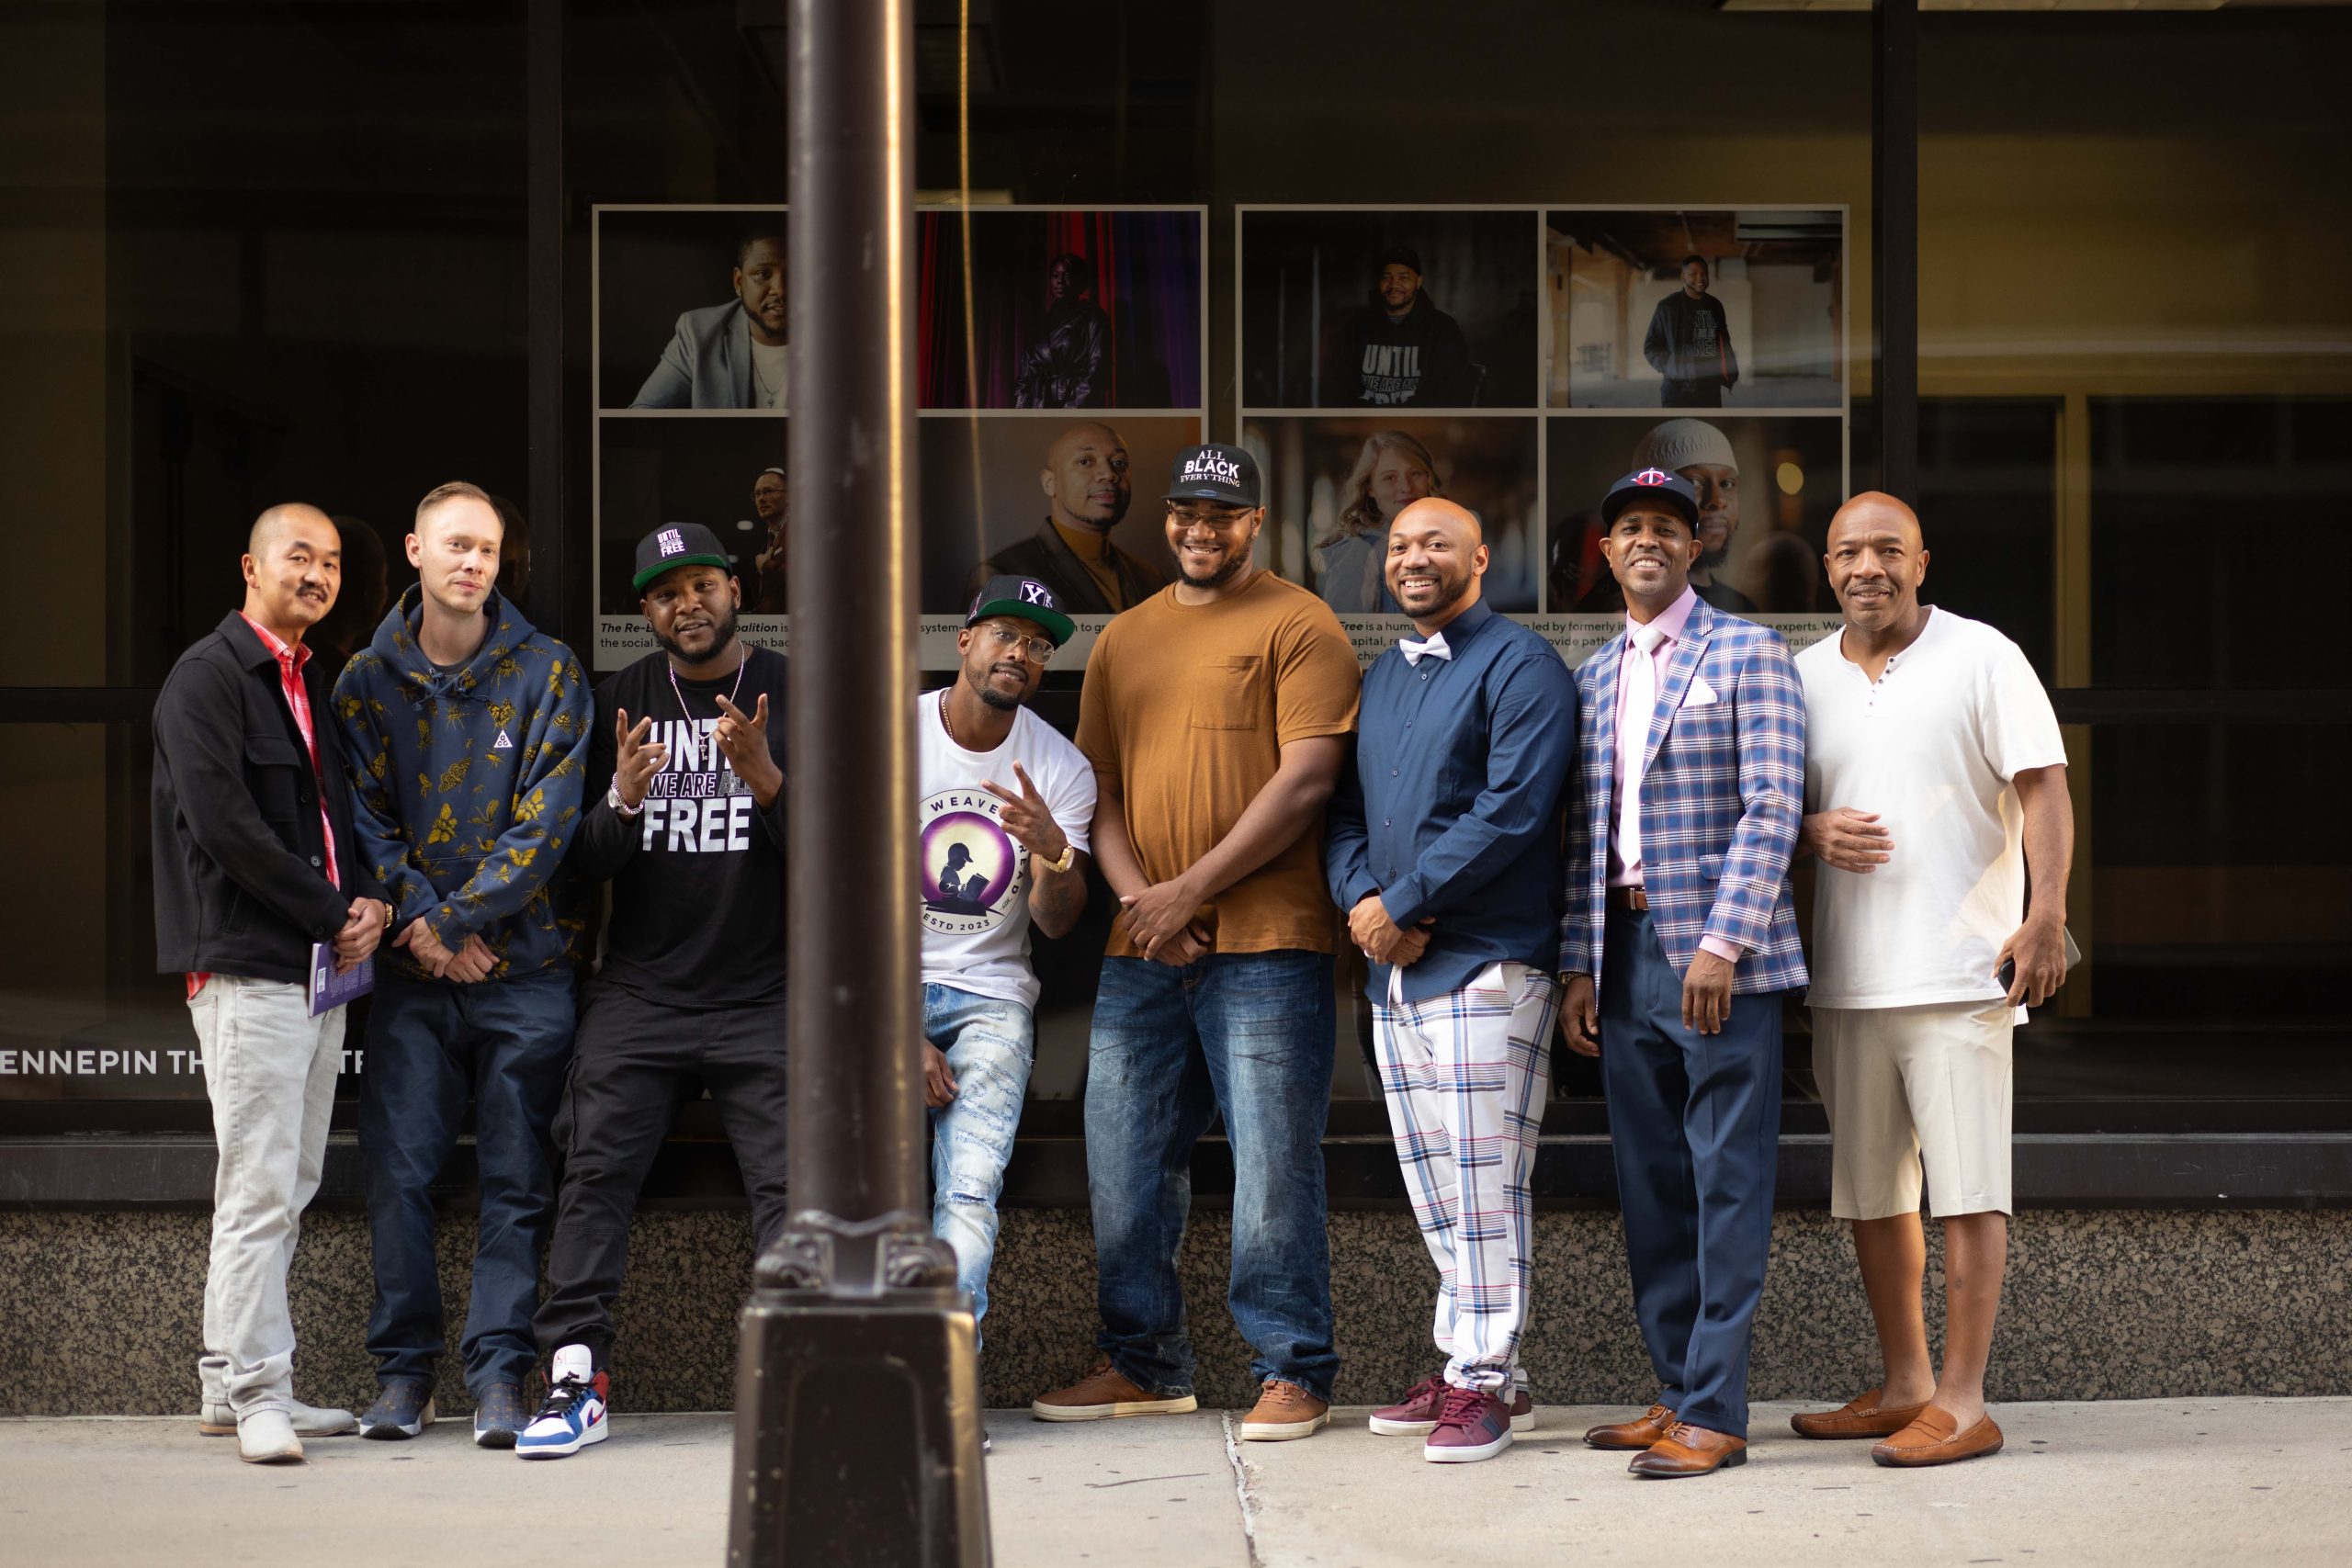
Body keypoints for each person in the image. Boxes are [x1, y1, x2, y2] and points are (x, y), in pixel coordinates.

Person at [1031, 443, 1360, 1441]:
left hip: (1267, 944)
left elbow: (1305, 781)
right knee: (1122, 1164)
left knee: (1272, 1167)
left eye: (1221, 515)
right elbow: (1100, 796)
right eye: (1185, 513)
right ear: (1164, 518)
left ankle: (1293, 1368)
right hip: (1143, 955)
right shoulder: (1124, 639)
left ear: (1254, 522)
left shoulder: (1302, 623)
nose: (1199, 530)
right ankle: (1142, 1362)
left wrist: (1188, 893)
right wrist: (1142, 906)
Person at [1790, 492, 2072, 1470]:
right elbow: (1773, 808)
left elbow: (2043, 785)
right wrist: (1806, 830)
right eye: (1847, 553)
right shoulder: (1800, 677)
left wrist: (2044, 917)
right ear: (1826, 568)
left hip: (1961, 970)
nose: (1866, 567)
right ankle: (1907, 1383)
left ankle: (1964, 1399)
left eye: (1886, 551)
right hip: (1845, 975)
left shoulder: (1982, 655)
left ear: (1921, 562)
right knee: (1873, 1194)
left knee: (1966, 1190)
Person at [515, 523, 792, 1460]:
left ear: (734, 589)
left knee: (795, 1188)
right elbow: (579, 860)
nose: (689, 604)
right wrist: (623, 802)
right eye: (667, 592)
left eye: (704, 584)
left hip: (765, 992)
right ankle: (572, 1381)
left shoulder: (788, 687)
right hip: (642, 992)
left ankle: (797, 1382)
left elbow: (844, 858)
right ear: (646, 612)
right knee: (592, 1169)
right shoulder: (618, 700)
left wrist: (767, 782)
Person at [333, 480, 593, 1450]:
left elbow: (548, 825)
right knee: (397, 1175)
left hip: (526, 975)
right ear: (413, 551)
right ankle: (404, 1374)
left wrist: (458, 918)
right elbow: (362, 824)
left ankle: (497, 1375)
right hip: (410, 977)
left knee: (518, 1178)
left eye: (485, 548)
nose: (471, 562)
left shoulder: (551, 673)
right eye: (453, 545)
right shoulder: (363, 682)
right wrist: (429, 932)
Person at [1556, 467, 1805, 1479]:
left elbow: (1774, 803)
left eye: (1666, 526)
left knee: (1726, 1181)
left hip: (1717, 964)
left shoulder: (1750, 651)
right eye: (1628, 529)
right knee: (1652, 1186)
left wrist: (1721, 941)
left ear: (1694, 547)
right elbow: (1585, 835)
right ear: (1607, 552)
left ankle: (1716, 1408)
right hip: (1621, 961)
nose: (1646, 540)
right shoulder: (1593, 675)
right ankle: (1672, 1391)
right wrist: (1578, 965)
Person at [1327, 497, 1577, 1464]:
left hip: (1486, 965)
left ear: (1480, 556)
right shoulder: (1385, 673)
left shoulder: (1522, 666)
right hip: (1399, 971)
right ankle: (1475, 1365)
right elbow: (1345, 812)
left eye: (1435, 543)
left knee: (1484, 1188)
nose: (1413, 559)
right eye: (1398, 547)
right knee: (1437, 1189)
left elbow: (1513, 809)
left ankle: (1485, 1382)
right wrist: (1363, 903)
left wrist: (1405, 900)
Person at [153, 505, 392, 1465]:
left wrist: (365, 901)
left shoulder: (306, 679)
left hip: (314, 963)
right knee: (258, 1187)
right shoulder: (208, 678)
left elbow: (330, 820)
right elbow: (227, 829)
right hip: (252, 968)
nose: (318, 574)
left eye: (332, 562)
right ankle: (260, 1393)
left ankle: (230, 1384)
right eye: (301, 556)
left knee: (284, 1180)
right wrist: (334, 914)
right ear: (250, 565)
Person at [919, 574, 1095, 1355]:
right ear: (964, 640)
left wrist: (1053, 851)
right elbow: (841, 897)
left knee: (967, 1188)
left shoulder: (1059, 768)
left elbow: (1056, 923)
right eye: (1005, 633)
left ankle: (943, 1385)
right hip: (878, 989)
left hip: (991, 996)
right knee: (859, 1197)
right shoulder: (894, 735)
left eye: (1038, 644)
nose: (1020, 653)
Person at [965, 423, 1167, 615]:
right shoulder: (1001, 577)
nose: (1109, 474)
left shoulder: (1151, 579)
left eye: (1119, 463)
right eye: (1085, 462)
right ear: (1049, 483)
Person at [1574, 421, 1756, 615]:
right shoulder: (1605, 613)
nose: (1716, 501)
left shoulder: (1745, 608)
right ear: (1608, 550)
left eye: (1726, 483)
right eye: (1694, 482)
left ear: (1692, 551)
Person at [629, 229, 789, 409]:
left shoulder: (827, 341)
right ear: (738, 283)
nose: (781, 290)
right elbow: (642, 414)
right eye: (763, 274)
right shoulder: (698, 333)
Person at [1326, 246, 1475, 408]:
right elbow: (1336, 388)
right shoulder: (1356, 327)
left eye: (1404, 278)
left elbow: (1453, 394)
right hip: (1365, 423)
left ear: (1418, 282)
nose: (1394, 284)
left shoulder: (1443, 328)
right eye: (1386, 277)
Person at [1313, 430, 1442, 615]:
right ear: (1369, 488)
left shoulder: (1438, 542)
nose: (1406, 487)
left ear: (1428, 479)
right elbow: (1345, 637)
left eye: (1415, 474)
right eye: (1390, 478)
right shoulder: (1359, 551)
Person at [1013, 253, 1110, 409]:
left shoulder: (1093, 317)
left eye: (1067, 276)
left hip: (1072, 403)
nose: (1060, 281)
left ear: (1079, 280)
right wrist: (1020, 411)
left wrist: (1072, 409)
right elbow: (1025, 374)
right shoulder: (1042, 321)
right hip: (1038, 404)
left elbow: (1098, 370)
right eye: (1055, 275)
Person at [1643, 255, 1739, 409]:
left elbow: (1723, 342)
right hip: (1678, 391)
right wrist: (1670, 367)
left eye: (1704, 273)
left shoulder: (1715, 305)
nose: (1700, 278)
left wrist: (1729, 369)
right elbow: (1650, 346)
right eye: (1693, 274)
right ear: (1683, 276)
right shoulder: (1667, 307)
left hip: (1710, 389)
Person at [751, 468, 789, 614]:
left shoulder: (802, 531)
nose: (761, 499)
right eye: (757, 494)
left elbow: (806, 578)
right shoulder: (771, 537)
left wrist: (765, 565)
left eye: (768, 491)